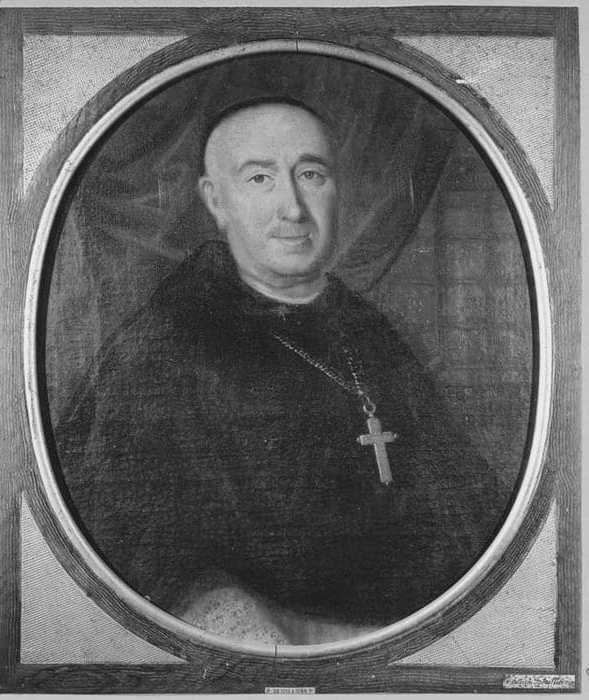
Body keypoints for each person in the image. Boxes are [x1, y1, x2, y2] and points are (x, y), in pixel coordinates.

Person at [55, 97, 510, 645]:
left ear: (336, 189)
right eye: (260, 179)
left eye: (311, 175)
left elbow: (468, 509)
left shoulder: (372, 334)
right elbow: (119, 534)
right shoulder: (163, 342)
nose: (292, 208)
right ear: (215, 200)